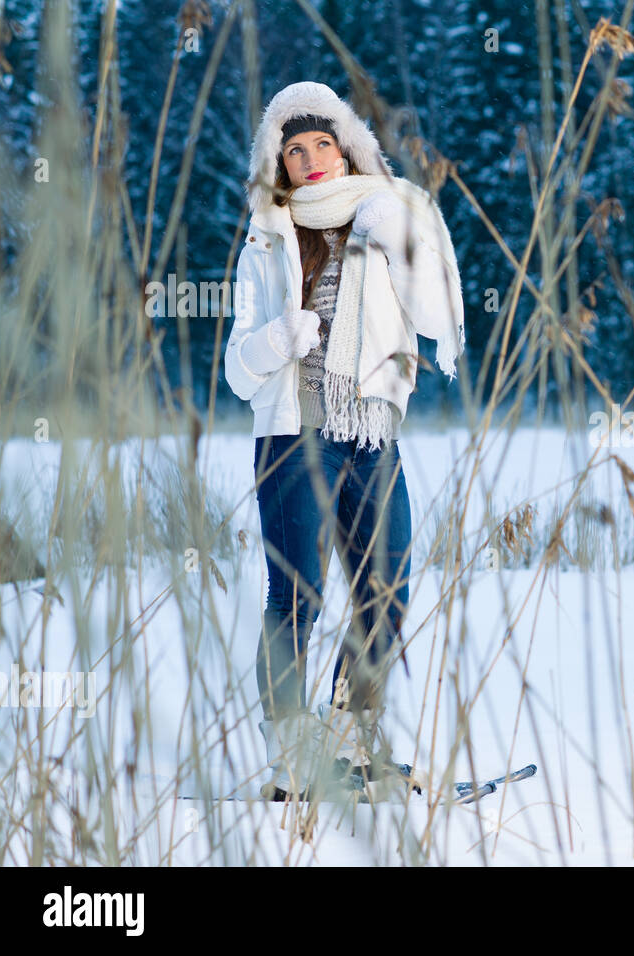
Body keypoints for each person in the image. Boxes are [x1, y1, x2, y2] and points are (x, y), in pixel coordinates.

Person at [223, 81, 465, 800]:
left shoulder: (389, 212)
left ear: (347, 145)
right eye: (294, 150)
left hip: (372, 436)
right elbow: (239, 369)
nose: (311, 159)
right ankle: (294, 759)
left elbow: (433, 317)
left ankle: (354, 743)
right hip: (295, 436)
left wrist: (399, 241)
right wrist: (274, 339)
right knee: (294, 596)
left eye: (321, 143)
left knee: (383, 591)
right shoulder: (266, 240)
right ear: (280, 162)